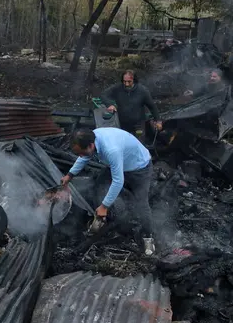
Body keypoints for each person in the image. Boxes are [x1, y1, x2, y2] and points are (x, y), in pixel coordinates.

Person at [60, 127, 156, 255]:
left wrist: (104, 205)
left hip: (139, 168)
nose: (81, 156)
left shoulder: (111, 150)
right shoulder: (90, 138)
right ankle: (102, 218)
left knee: (142, 204)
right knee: (99, 185)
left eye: (82, 152)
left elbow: (118, 181)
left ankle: (148, 238)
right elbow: (84, 157)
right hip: (118, 163)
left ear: (91, 145)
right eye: (79, 154)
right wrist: (70, 175)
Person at [100, 70, 162, 139]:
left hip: (138, 124)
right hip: (123, 124)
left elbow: (152, 106)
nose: (126, 84)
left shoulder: (142, 91)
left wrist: (158, 121)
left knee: (139, 143)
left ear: (134, 80)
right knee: (125, 143)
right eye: (124, 81)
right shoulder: (117, 88)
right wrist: (110, 104)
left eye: (129, 82)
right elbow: (104, 95)